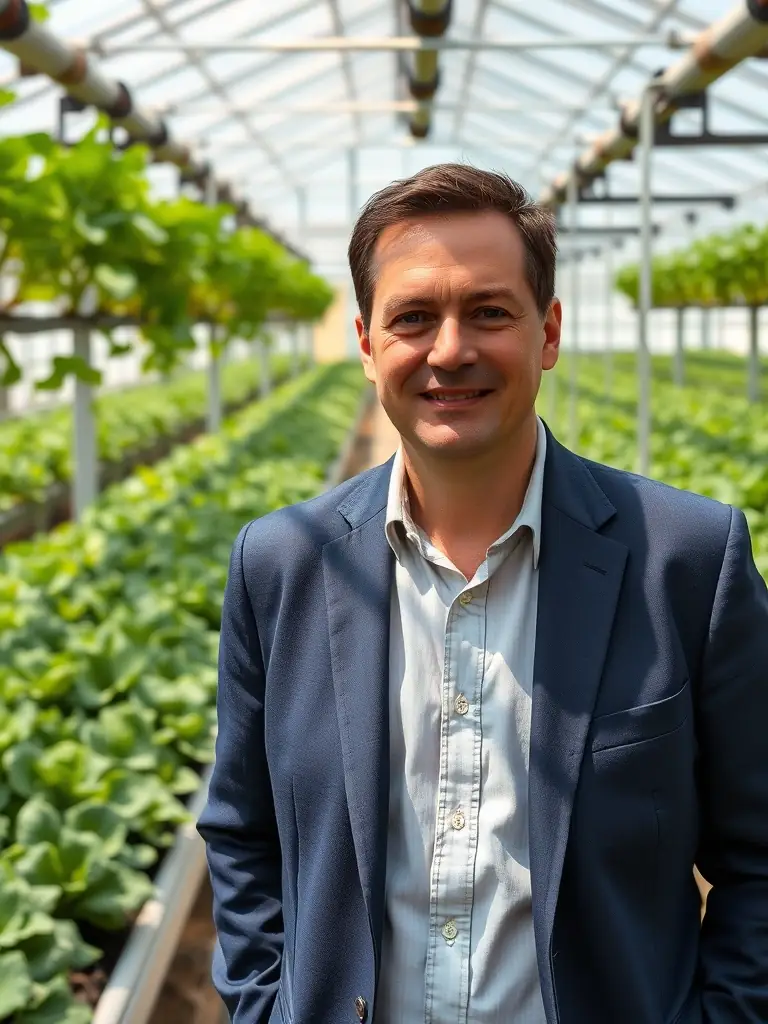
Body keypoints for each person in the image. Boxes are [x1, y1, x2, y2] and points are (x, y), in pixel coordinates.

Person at [197, 163, 768, 1024]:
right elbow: (244, 834)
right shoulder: (282, 564)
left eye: (489, 312)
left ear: (548, 332)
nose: (450, 349)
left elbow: (760, 853)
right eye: (414, 318)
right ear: (366, 344)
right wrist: (261, 1007)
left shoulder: (684, 560)